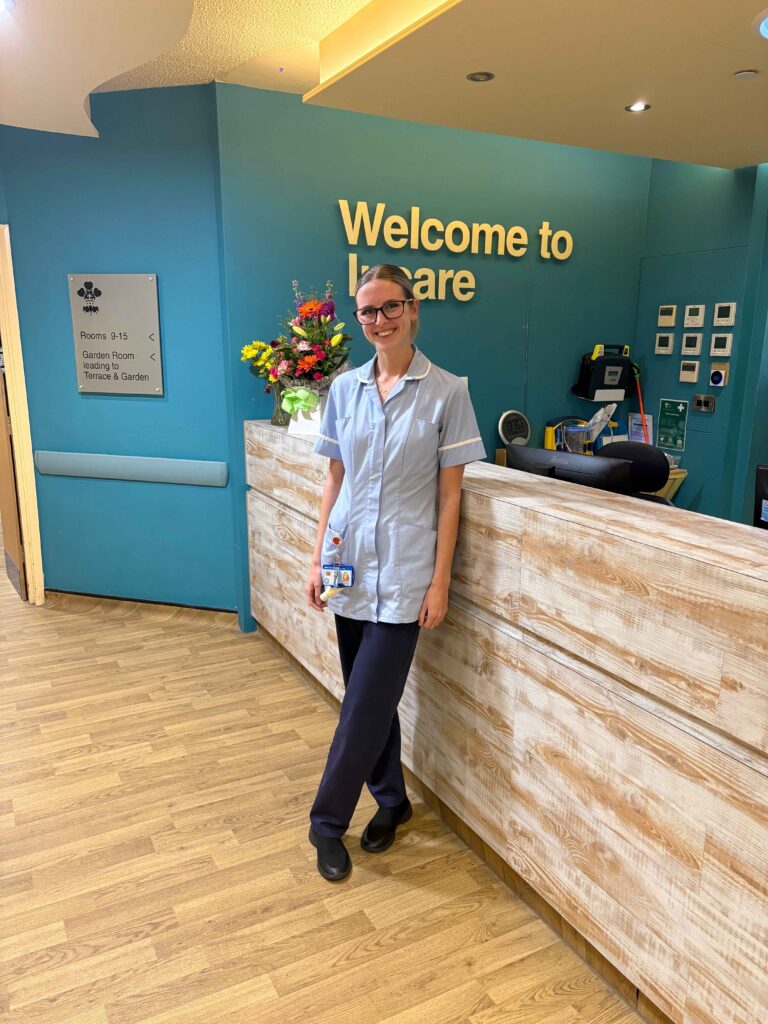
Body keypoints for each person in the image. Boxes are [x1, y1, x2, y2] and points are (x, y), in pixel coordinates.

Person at [304, 263, 486, 882]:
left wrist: (440, 582)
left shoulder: (447, 391)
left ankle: (325, 822)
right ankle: (393, 801)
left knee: (361, 705)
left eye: (390, 308)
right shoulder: (344, 389)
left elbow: (451, 496)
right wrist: (316, 559)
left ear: (413, 310)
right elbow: (335, 481)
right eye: (367, 312)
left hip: (407, 574)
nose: (378, 321)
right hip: (348, 562)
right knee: (368, 701)